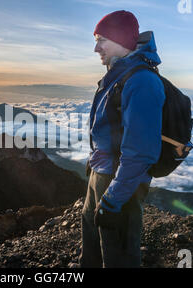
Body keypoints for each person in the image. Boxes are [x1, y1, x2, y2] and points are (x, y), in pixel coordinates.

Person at [79, 10, 165, 268]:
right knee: (92, 256)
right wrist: (95, 162)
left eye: (101, 39)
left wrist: (113, 199)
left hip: (120, 186)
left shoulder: (142, 82)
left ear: (120, 40)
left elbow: (140, 153)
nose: (96, 48)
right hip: (100, 175)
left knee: (118, 260)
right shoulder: (117, 75)